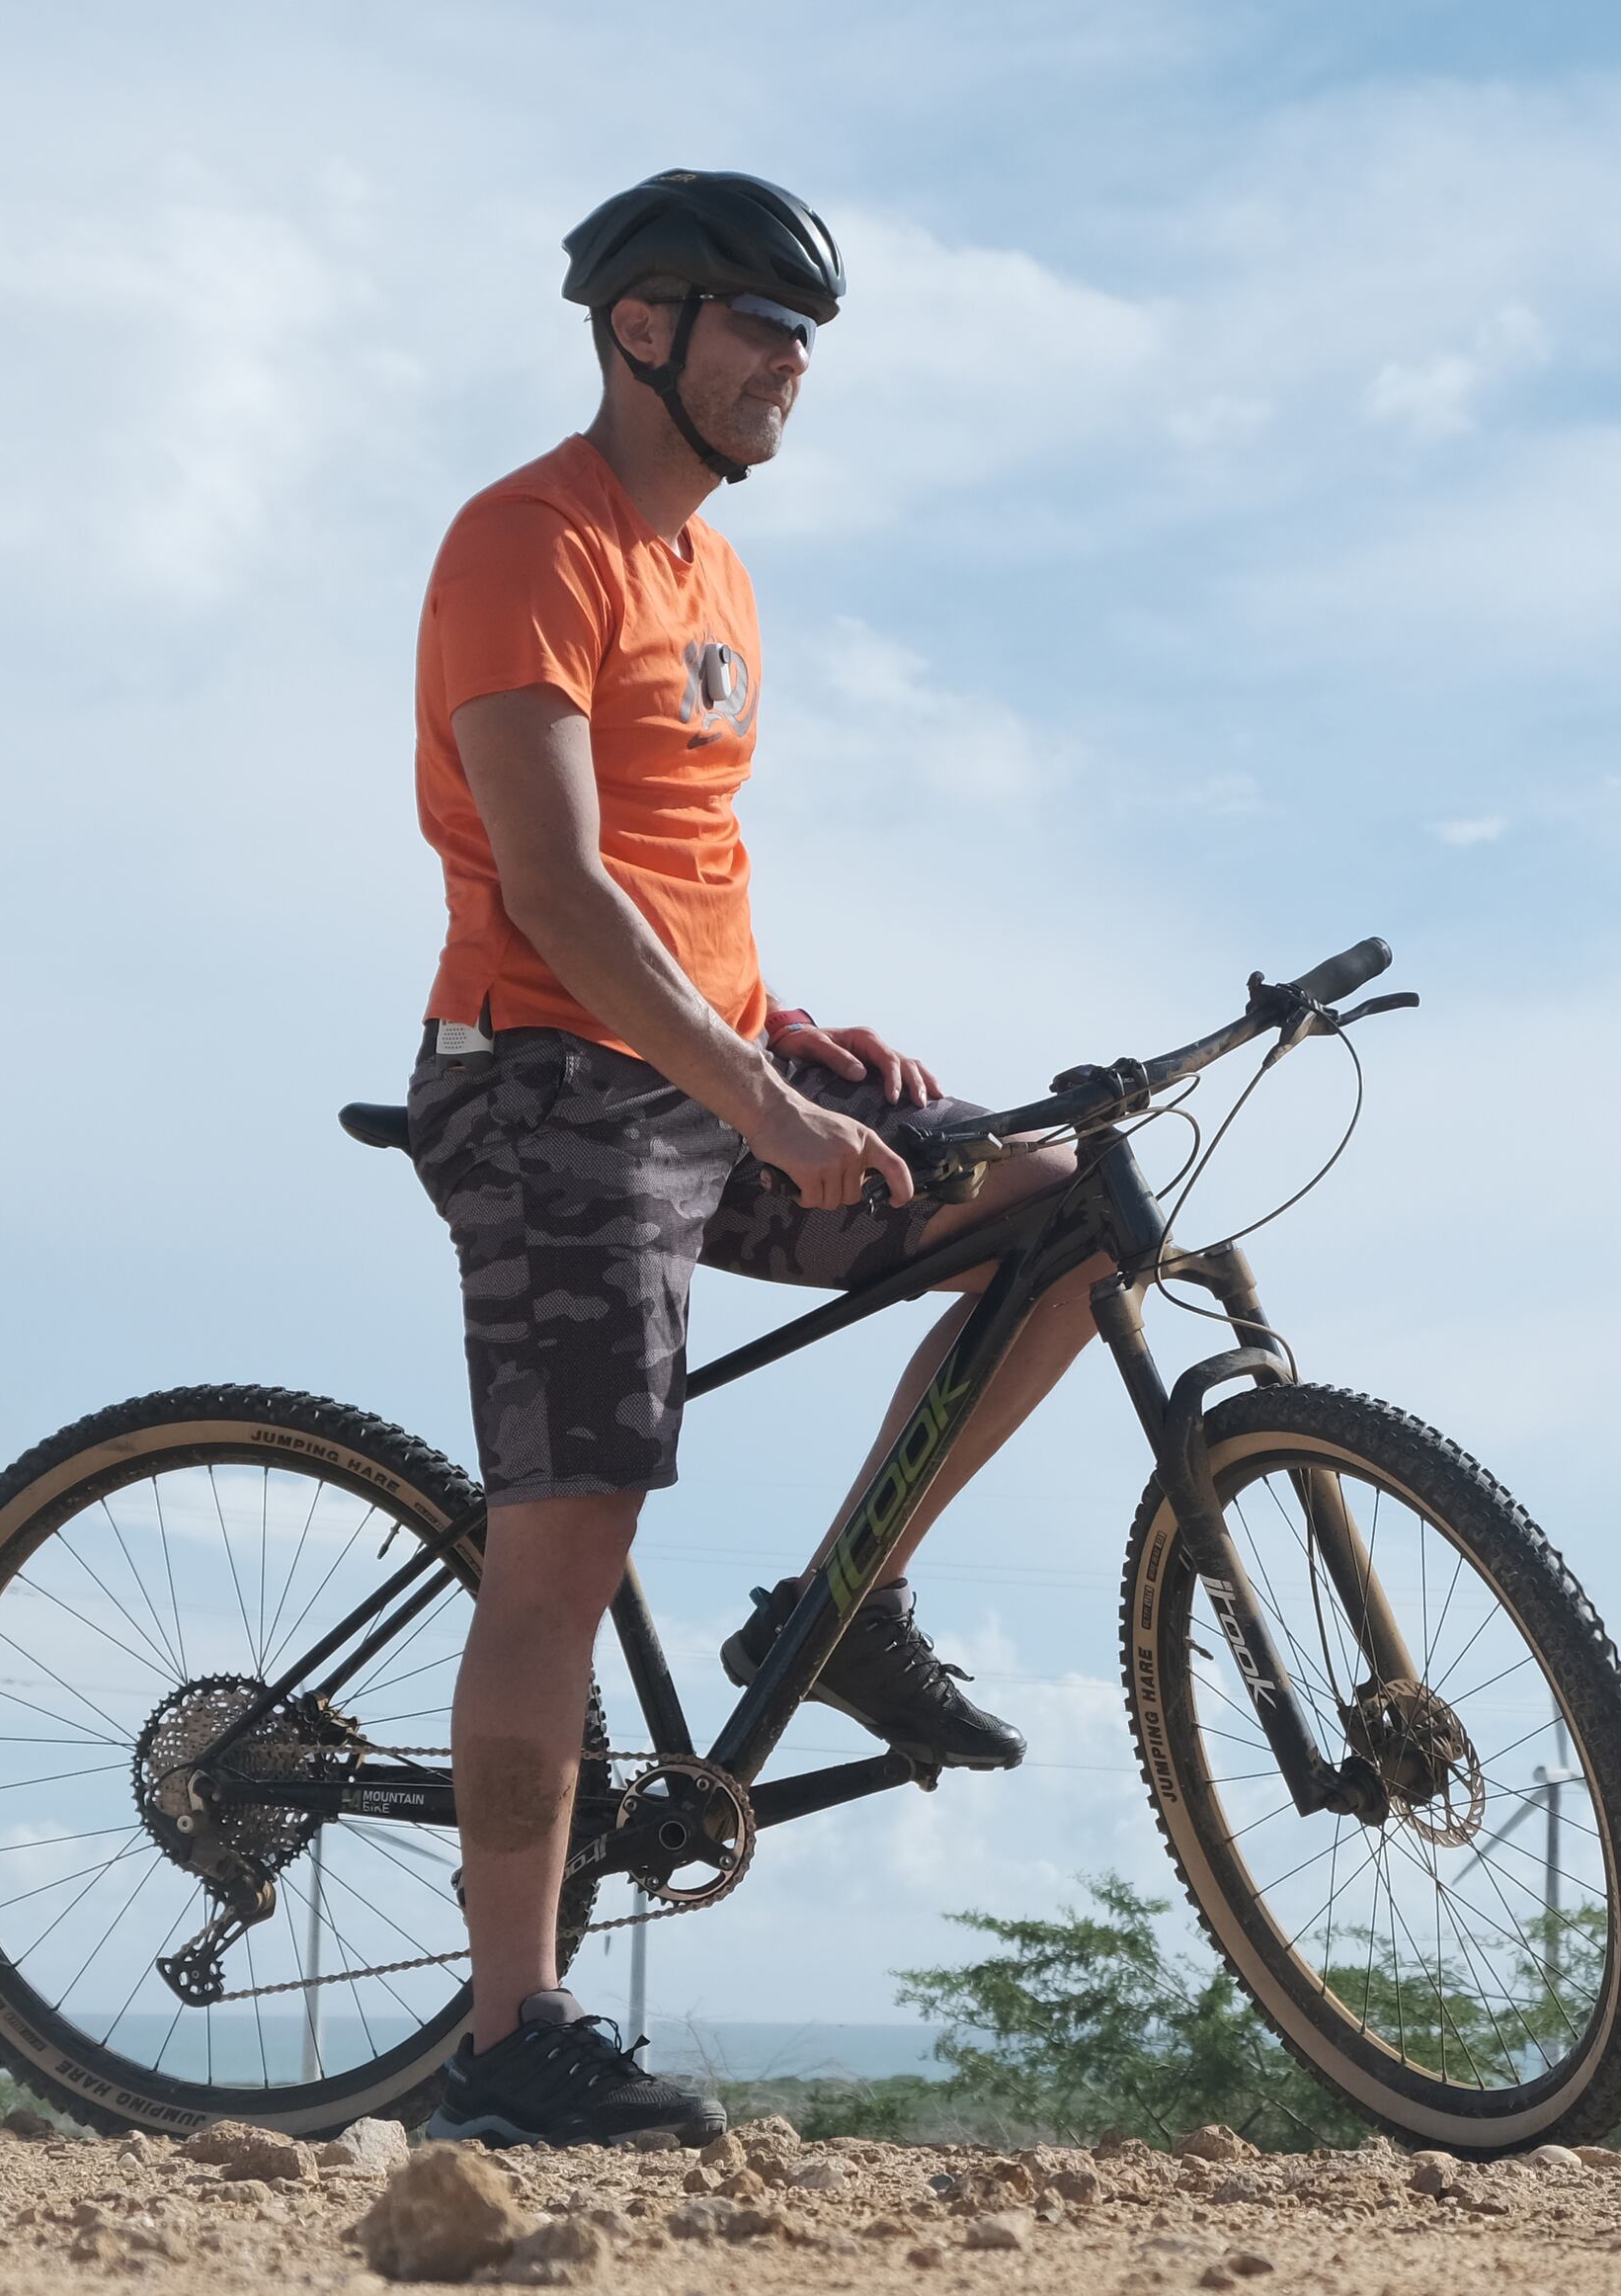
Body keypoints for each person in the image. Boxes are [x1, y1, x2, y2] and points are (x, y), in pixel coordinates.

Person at [399, 170, 1106, 2149]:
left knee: (1059, 1214)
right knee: (571, 1534)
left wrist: (792, 1039)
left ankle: (837, 1606)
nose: (794, 365)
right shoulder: (525, 542)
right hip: (543, 1080)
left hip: (702, 1064)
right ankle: (507, 2038)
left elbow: (684, 878)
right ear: (643, 326)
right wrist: (756, 1104)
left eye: (806, 338)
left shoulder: (712, 577)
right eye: (760, 327)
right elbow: (552, 882)